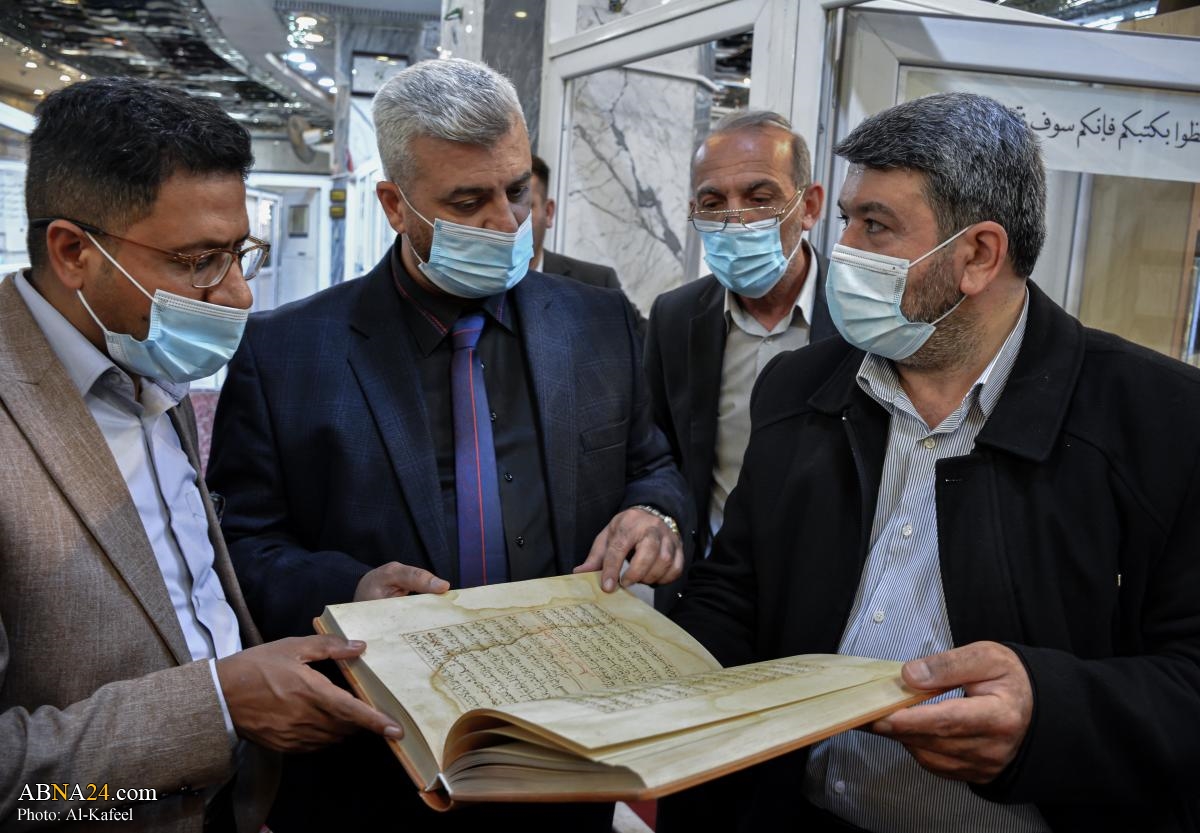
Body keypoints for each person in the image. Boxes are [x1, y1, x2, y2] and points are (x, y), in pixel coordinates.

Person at [664, 91, 1200, 832]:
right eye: (847, 217)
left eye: (875, 225)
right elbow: (738, 592)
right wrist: (639, 680)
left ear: (979, 254)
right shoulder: (800, 388)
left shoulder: (1162, 423)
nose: (841, 247)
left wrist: (1050, 710)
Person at [206, 58, 689, 833]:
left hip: (568, 755)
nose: (506, 221)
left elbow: (652, 466)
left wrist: (654, 516)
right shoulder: (288, 354)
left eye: (517, 190)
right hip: (375, 766)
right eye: (469, 201)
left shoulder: (598, 323)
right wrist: (351, 586)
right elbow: (240, 546)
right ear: (395, 205)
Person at [0, 77, 399, 832]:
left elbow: (181, 597)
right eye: (198, 260)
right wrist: (217, 705)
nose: (240, 295)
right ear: (73, 251)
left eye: (240, 251)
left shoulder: (147, 359)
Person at [645, 110, 834, 578]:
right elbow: (656, 451)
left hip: (822, 586)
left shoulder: (863, 320)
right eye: (712, 202)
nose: (735, 219)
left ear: (808, 207)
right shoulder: (674, 317)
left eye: (759, 197)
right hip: (705, 581)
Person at [530, 154, 647, 338]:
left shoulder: (596, 284)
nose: (512, 219)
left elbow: (649, 346)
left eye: (526, 205)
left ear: (548, 212)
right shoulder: (474, 286)